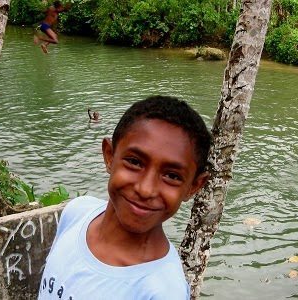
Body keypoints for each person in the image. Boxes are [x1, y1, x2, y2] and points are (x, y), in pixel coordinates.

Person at [38, 95, 212, 299]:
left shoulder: (163, 291)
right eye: (135, 162)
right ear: (109, 156)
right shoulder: (77, 212)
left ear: (193, 187)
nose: (146, 190)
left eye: (172, 176)